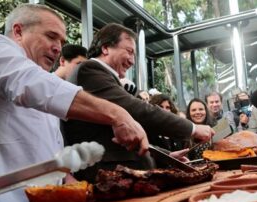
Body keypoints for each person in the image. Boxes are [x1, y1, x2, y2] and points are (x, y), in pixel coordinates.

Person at [0, 4, 148, 202]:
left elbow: (43, 148)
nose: (58, 48)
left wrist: (70, 182)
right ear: (18, 32)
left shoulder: (39, 77)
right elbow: (29, 84)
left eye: (61, 41)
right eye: (51, 36)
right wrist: (117, 114)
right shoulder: (2, 50)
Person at [63, 23, 214, 182]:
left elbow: (128, 131)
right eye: (129, 52)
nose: (132, 61)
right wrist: (193, 128)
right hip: (108, 177)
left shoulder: (104, 76)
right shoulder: (90, 70)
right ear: (106, 48)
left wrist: (166, 155)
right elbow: (137, 110)